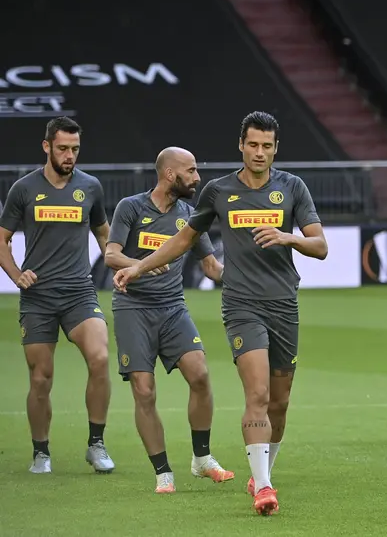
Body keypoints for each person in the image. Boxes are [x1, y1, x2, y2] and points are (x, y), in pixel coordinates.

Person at [115, 111, 328, 515]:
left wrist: (288, 237)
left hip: (283, 303)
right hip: (241, 305)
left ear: (275, 148)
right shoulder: (218, 191)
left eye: (267, 145)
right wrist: (139, 265)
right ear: (241, 145)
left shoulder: (293, 188)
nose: (259, 152)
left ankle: (261, 471)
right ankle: (264, 487)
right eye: (253, 144)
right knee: (259, 394)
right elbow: (183, 240)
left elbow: (320, 246)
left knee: (280, 403)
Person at [104, 147, 233, 493]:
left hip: (173, 308)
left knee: (201, 375)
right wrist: (137, 264)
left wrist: (243, 273)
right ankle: (163, 472)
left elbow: (211, 267)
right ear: (171, 175)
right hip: (133, 309)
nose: (197, 177)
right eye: (191, 171)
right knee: (144, 391)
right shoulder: (130, 208)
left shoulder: (191, 216)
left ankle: (202, 459)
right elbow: (110, 253)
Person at [0, 116, 116, 475]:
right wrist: (17, 275)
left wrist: (122, 265)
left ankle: (96, 445)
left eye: (75, 149)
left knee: (99, 358)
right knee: (40, 378)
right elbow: (1, 240)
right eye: (63, 148)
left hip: (80, 292)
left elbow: (104, 235)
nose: (70, 156)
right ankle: (41, 452)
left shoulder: (90, 187)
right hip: (38, 297)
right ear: (46, 146)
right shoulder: (23, 189)